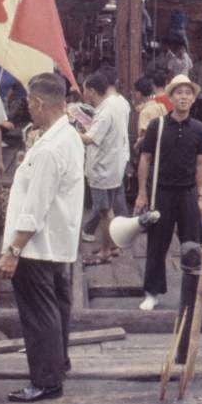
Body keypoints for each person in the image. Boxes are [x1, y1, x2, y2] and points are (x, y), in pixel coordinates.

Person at [0, 73, 85, 403]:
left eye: (30, 104)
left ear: (38, 103)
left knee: (38, 313)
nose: (29, 110)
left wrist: (13, 249)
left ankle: (46, 380)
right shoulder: (68, 137)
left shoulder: (50, 149)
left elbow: (35, 207)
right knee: (57, 305)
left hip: (36, 244)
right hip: (58, 240)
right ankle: (57, 362)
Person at [135, 74, 202, 311]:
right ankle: (152, 292)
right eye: (179, 92)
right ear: (170, 97)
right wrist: (142, 193)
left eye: (188, 93)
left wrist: (200, 195)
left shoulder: (200, 129)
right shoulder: (156, 126)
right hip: (161, 193)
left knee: (195, 242)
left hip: (189, 192)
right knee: (156, 244)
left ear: (193, 98)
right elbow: (145, 159)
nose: (183, 97)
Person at [79, 72, 129, 262]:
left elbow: (90, 138)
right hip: (115, 164)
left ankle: (105, 250)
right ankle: (113, 245)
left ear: (92, 91)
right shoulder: (118, 102)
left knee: (104, 211)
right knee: (110, 209)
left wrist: (68, 130)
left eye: (85, 90)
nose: (84, 94)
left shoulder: (105, 112)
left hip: (103, 167)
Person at [134, 75, 166, 153]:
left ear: (139, 93)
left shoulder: (144, 112)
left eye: (135, 91)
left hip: (149, 150)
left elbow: (144, 136)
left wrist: (136, 146)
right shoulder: (161, 105)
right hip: (163, 146)